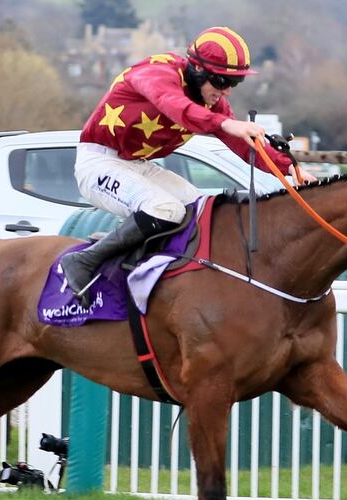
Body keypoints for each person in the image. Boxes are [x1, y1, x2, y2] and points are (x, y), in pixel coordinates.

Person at [59, 26, 311, 306]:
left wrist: (292, 170)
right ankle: (83, 261)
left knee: (198, 209)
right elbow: (174, 105)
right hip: (98, 162)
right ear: (198, 71)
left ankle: (150, 267)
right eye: (221, 81)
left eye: (234, 84)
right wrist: (226, 123)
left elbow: (244, 144)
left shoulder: (211, 101)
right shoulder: (158, 72)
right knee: (166, 210)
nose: (226, 91)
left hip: (136, 164)